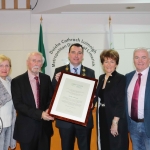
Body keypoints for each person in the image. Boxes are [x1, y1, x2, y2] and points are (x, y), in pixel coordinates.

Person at [52, 43, 95, 150]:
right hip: (65, 121)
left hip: (84, 121)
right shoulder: (59, 71)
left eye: (79, 53)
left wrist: (92, 101)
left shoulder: (90, 72)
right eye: (73, 52)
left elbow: (94, 93)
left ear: (83, 55)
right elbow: (52, 93)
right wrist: (56, 82)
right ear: (68, 54)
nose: (76, 55)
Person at [11, 52, 54, 150]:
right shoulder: (17, 81)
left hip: (44, 129)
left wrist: (48, 110)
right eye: (33, 60)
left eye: (39, 61)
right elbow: (18, 104)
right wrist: (40, 114)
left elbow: (50, 98)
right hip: (26, 130)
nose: (36, 63)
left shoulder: (46, 79)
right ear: (27, 62)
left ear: (42, 64)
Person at [95, 49, 128, 150]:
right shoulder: (101, 78)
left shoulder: (121, 78)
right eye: (106, 61)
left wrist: (115, 122)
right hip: (102, 115)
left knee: (116, 144)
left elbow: (121, 102)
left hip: (115, 117)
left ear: (116, 64)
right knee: (105, 143)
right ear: (102, 63)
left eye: (112, 61)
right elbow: (98, 97)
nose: (108, 64)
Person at [126, 47, 150, 150]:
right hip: (133, 125)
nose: (140, 61)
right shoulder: (128, 77)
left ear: (149, 59)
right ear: (133, 60)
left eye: (143, 57)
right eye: (137, 57)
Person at [0, 54, 16, 150]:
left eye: (7, 65)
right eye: (1, 65)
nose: (4, 68)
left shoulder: (11, 82)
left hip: (9, 123)